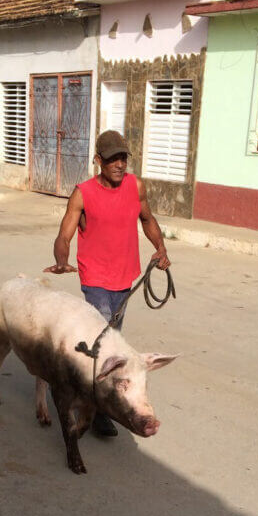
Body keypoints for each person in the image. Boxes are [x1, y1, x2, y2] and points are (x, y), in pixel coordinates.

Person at [45, 129, 171, 436]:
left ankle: (96, 400)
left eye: (123, 157)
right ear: (98, 160)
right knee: (104, 350)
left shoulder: (135, 185)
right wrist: (62, 260)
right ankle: (97, 409)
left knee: (113, 340)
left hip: (125, 278)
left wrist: (161, 247)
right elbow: (64, 233)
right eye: (112, 158)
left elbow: (147, 218)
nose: (119, 164)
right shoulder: (83, 193)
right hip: (96, 279)